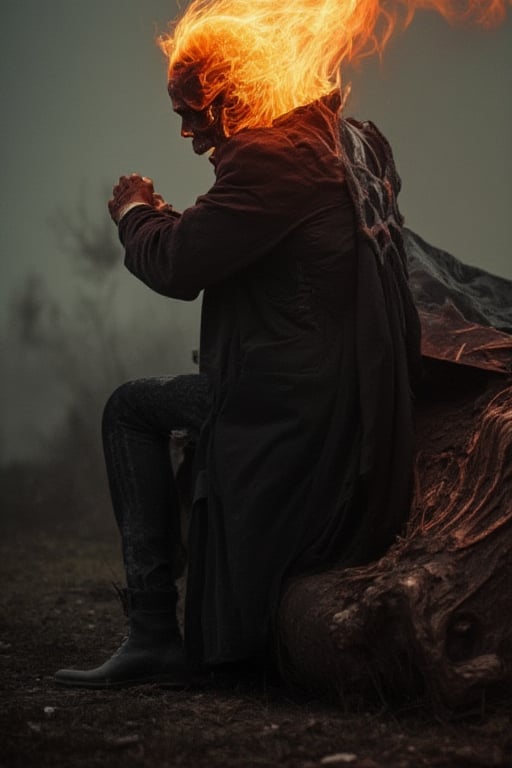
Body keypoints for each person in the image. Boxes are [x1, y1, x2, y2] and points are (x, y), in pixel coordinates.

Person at [54, 52, 421, 688]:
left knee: (129, 409)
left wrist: (135, 215)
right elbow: (225, 238)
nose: (186, 130)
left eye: (191, 110)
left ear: (235, 94)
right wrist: (174, 225)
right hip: (342, 395)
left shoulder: (272, 161)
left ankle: (151, 635)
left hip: (287, 409)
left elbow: (177, 267)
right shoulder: (343, 142)